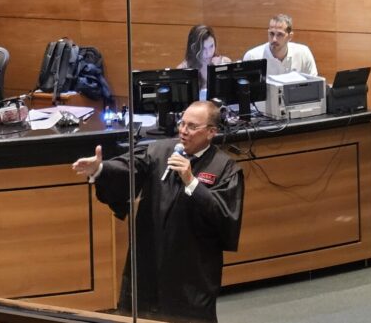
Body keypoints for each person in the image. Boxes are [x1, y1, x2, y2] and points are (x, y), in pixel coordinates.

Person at [71, 101, 243, 323]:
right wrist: (101, 169)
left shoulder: (224, 168)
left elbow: (224, 217)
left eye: (192, 126)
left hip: (192, 270)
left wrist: (191, 182)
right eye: (182, 123)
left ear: (211, 132)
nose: (183, 130)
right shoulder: (160, 150)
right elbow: (129, 168)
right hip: (149, 259)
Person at [242, 13, 317, 76]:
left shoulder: (303, 53)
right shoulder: (252, 57)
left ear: (290, 37)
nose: (274, 39)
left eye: (280, 34)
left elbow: (315, 85)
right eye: (271, 33)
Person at [178, 24, 231, 95]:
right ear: (194, 48)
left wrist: (217, 70)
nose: (209, 53)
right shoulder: (183, 69)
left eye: (211, 46)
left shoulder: (224, 62)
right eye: (203, 48)